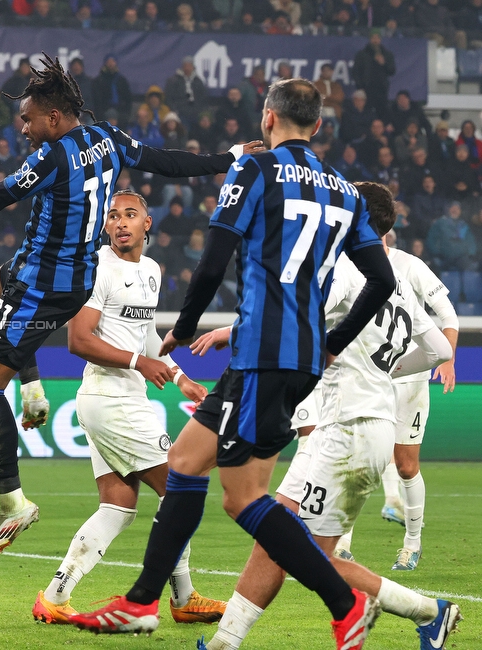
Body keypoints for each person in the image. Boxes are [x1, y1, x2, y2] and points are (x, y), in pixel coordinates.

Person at [69, 79, 395, 648]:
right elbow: (382, 279)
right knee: (186, 461)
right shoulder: (346, 191)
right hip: (294, 359)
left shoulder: (254, 170)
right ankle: (143, 601)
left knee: (243, 497)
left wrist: (184, 328)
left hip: (262, 353)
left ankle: (346, 606)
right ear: (317, 126)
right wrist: (334, 339)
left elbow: (216, 256)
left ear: (268, 118)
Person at [0, 55, 261, 559]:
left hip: (43, 283)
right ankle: (32, 390)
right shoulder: (109, 138)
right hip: (69, 278)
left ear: (53, 117)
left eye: (28, 119)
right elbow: (166, 161)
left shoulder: (51, 157)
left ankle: (13, 502)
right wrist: (228, 156)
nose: (22, 128)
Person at [195, 182, 460, 650]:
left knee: (306, 554)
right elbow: (439, 349)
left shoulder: (346, 270)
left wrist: (229, 331)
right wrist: (386, 369)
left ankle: (429, 611)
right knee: (275, 533)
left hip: (348, 428)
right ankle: (224, 641)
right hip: (351, 425)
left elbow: (294, 317)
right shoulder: (395, 285)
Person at [32, 191, 225, 626]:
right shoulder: (98, 267)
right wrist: (142, 363)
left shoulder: (152, 271)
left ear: (147, 223)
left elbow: (144, 337)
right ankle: (184, 597)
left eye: (130, 215)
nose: (121, 222)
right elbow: (79, 340)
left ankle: (54, 596)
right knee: (179, 489)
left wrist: (179, 377)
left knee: (117, 506)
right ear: (105, 227)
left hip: (120, 398)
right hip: (109, 397)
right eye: (113, 216)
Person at [332, 226, 459, 570]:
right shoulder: (346, 266)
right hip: (366, 378)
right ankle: (342, 544)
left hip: (409, 378)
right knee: (357, 457)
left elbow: (447, 315)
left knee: (405, 465)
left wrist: (448, 359)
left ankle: (412, 544)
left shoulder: (410, 266)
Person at [352, 32, 396, 121]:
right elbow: (356, 72)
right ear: (369, 39)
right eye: (373, 38)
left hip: (381, 89)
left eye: (377, 38)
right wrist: (360, 87)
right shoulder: (362, 54)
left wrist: (384, 64)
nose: (375, 41)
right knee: (366, 112)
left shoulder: (387, 54)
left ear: (380, 40)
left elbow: (392, 71)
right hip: (367, 88)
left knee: (382, 113)